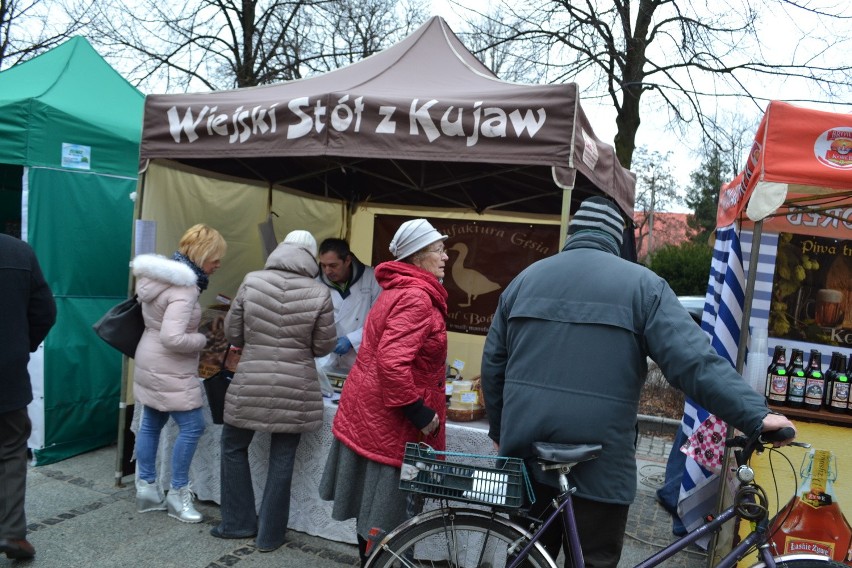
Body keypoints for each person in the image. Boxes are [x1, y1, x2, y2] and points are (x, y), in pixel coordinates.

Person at [480, 196, 796, 568]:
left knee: (527, 557)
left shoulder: (524, 280)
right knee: (593, 559)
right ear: (616, 239)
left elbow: (493, 366)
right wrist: (756, 415)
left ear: (573, 233)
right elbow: (694, 362)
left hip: (525, 455)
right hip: (597, 463)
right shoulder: (643, 286)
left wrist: (503, 431)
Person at [320, 218, 449, 566]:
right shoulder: (416, 299)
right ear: (418, 256)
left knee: (376, 523)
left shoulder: (397, 290)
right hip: (394, 430)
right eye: (438, 249)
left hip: (376, 420)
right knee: (391, 523)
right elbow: (392, 365)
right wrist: (421, 414)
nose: (445, 256)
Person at [211, 230, 336, 552]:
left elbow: (233, 333)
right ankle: (269, 536)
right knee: (283, 459)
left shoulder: (252, 281)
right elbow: (324, 346)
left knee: (232, 447)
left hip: (251, 377)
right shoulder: (319, 292)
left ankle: (237, 523)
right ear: (310, 257)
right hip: (297, 386)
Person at [132, 223, 227, 524]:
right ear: (203, 254)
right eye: (215, 258)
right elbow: (173, 338)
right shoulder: (185, 288)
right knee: (192, 426)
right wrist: (202, 340)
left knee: (152, 421)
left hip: (149, 357)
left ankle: (146, 488)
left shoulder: (158, 278)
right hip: (169, 365)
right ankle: (177, 494)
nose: (218, 264)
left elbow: (158, 327)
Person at [0, 234, 56, 560]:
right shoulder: (18, 251)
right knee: (9, 451)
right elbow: (45, 311)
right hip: (6, 373)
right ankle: (11, 533)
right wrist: (22, 347)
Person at [317, 238, 381, 373]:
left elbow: (380, 320)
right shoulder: (315, 282)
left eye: (333, 265)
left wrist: (352, 339)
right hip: (326, 359)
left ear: (347, 260)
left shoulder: (372, 279)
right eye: (323, 265)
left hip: (360, 357)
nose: (327, 271)